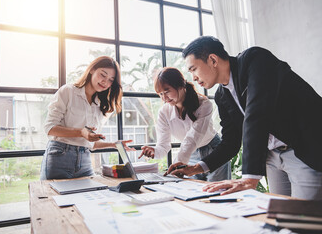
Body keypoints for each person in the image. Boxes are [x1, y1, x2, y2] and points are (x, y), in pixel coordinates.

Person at [166, 36, 322, 200]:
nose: (194, 78)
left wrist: (249, 178)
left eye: (194, 69)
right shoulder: (221, 95)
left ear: (212, 59)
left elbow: (257, 112)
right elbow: (231, 141)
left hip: (303, 149)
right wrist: (196, 168)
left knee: (306, 218)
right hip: (272, 158)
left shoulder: (255, 60)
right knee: (280, 216)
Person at [40, 56, 134, 180]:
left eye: (111, 80)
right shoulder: (68, 91)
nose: (105, 82)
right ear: (92, 70)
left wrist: (113, 144)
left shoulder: (101, 104)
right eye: (103, 75)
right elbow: (50, 128)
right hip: (59, 157)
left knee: (90, 197)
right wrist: (81, 132)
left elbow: (91, 143)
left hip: (85, 160)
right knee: (55, 198)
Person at [138, 67, 230, 182]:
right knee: (191, 194)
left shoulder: (204, 104)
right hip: (190, 154)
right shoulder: (164, 112)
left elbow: (193, 138)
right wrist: (155, 151)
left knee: (218, 193)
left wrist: (177, 164)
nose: (164, 98)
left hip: (213, 151)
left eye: (167, 91)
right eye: (160, 94)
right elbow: (164, 145)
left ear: (181, 86)